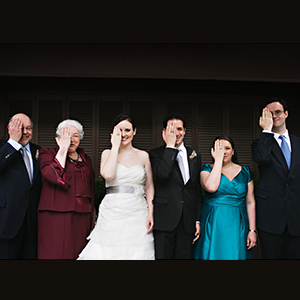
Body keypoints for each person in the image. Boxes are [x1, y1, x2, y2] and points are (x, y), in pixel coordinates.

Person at [77, 113, 155, 260]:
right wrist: (115, 147)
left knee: (136, 251)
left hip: (138, 211)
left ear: (134, 131)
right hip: (112, 209)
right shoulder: (107, 153)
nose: (123, 134)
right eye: (119, 130)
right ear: (113, 133)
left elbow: (149, 186)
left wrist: (150, 212)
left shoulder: (143, 156)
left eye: (127, 130)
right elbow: (108, 175)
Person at [38, 119, 96, 259]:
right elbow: (51, 175)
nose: (71, 139)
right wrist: (63, 149)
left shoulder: (86, 158)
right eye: (66, 135)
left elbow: (91, 186)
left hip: (82, 214)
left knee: (78, 253)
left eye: (75, 135)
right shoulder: (47, 153)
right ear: (58, 138)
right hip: (55, 212)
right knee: (56, 252)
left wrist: (93, 213)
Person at [252, 98, 300, 259]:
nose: (274, 116)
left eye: (277, 112)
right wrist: (266, 130)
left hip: (296, 216)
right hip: (271, 218)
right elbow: (262, 159)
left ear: (286, 114)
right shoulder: (260, 144)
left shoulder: (298, 143)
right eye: (268, 114)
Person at [194, 136, 257, 260]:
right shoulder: (206, 169)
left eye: (227, 148)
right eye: (220, 148)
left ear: (233, 151)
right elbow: (211, 187)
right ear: (213, 151)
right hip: (214, 221)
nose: (224, 152)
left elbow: (250, 202)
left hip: (238, 222)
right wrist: (217, 161)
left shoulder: (245, 172)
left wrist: (252, 230)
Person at [149, 113, 202, 259]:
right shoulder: (156, 154)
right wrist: (170, 147)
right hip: (165, 218)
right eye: (171, 129)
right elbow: (162, 175)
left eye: (179, 129)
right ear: (164, 132)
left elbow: (196, 190)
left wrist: (197, 219)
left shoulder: (194, 155)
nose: (176, 133)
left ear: (184, 131)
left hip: (187, 220)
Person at [0, 113, 42, 259]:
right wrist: (13, 143)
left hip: (32, 225)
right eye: (20, 128)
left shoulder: (39, 151)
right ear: (10, 128)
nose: (25, 132)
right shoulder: (3, 148)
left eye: (28, 128)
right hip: (6, 222)